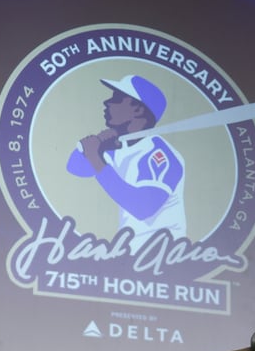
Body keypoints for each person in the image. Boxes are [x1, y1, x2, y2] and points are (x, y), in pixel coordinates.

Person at [67, 74, 186, 243]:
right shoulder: (118, 144)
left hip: (163, 254)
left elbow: (143, 208)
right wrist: (99, 143)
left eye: (116, 98)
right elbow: (75, 168)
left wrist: (95, 157)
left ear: (137, 110)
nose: (106, 103)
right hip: (129, 250)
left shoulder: (160, 153)